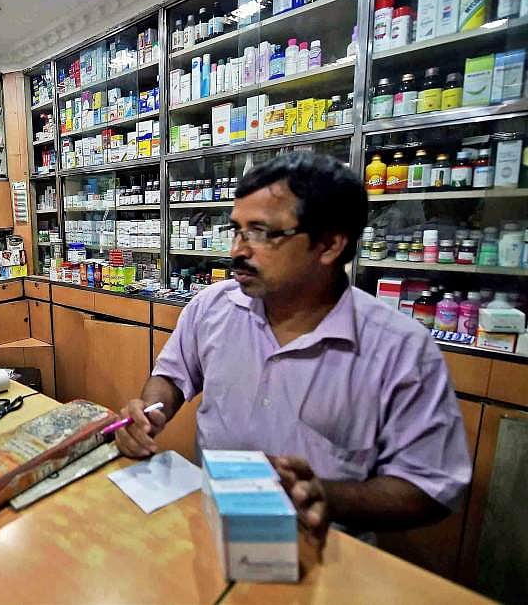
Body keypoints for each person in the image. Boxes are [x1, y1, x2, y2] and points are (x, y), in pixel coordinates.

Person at [115, 152, 471, 545]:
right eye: (237, 230)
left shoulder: (399, 348)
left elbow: (431, 488)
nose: (238, 250)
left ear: (329, 245)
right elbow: (171, 375)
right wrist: (150, 413)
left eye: (261, 233)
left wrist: (327, 495)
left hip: (321, 545)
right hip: (211, 524)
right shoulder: (212, 307)